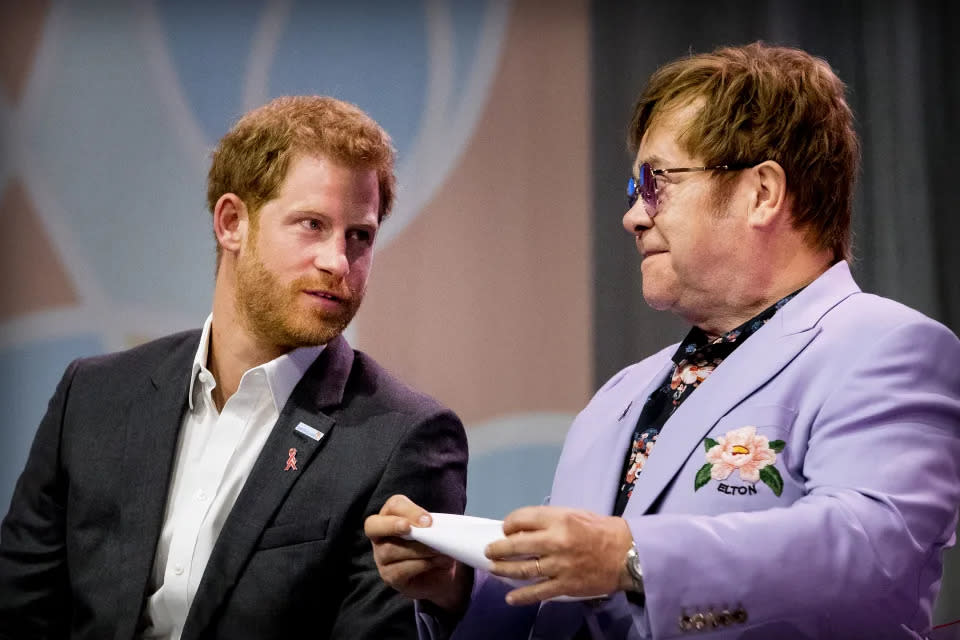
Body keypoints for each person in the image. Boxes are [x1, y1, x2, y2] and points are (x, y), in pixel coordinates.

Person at [365, 43, 960, 639]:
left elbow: (872, 550)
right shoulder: (621, 395)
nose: (633, 216)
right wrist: (457, 586)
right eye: (635, 189)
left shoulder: (888, 348)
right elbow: (571, 609)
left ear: (762, 192)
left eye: (658, 182)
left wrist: (630, 554)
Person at [0, 96, 468, 640]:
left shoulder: (402, 439)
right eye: (312, 225)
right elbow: (20, 611)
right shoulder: (94, 395)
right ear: (231, 223)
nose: (338, 262)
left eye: (359, 236)